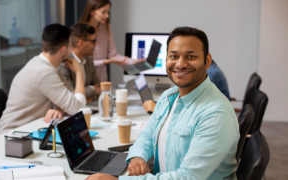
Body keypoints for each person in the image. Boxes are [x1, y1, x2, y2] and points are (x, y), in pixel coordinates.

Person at [86, 27, 239, 180]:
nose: (180, 64)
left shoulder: (216, 114)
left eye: (191, 56)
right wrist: (138, 156)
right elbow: (148, 134)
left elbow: (186, 178)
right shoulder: (169, 96)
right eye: (173, 56)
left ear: (207, 61)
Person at [0, 24, 86, 136]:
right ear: (63, 50)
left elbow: (71, 99)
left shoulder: (50, 67)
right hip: (9, 137)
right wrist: (79, 72)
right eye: (70, 47)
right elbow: (78, 108)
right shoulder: (44, 72)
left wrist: (60, 109)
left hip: (27, 133)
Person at [78, 0, 145, 82]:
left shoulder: (106, 28)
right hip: (87, 80)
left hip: (102, 80)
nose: (107, 15)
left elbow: (112, 54)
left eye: (108, 12)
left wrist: (133, 61)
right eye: (103, 12)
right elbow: (81, 61)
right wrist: (106, 61)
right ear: (91, 11)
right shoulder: (80, 31)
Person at [142, 60, 231, 113]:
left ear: (207, 59)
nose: (181, 65)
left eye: (191, 57)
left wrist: (158, 109)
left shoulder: (210, 74)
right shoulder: (212, 70)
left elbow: (193, 108)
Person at [57, 23, 100, 102]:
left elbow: (99, 88)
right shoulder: (64, 62)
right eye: (93, 41)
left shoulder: (89, 60)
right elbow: (71, 96)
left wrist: (90, 97)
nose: (95, 45)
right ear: (81, 43)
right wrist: (91, 89)